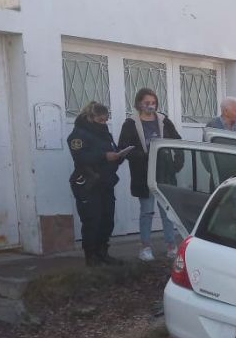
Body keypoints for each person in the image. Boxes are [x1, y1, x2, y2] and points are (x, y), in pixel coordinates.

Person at [118, 87, 182, 261]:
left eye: (153, 103)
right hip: (143, 173)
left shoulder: (163, 120)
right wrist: (142, 156)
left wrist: (178, 162)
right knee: (146, 211)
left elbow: (178, 140)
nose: (151, 106)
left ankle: (171, 246)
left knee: (167, 212)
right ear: (139, 103)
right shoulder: (130, 123)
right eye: (147, 103)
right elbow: (123, 149)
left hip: (165, 173)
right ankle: (145, 247)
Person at [67, 102, 125, 267]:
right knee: (92, 221)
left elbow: (111, 151)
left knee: (107, 220)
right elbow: (80, 157)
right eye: (100, 120)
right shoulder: (77, 135)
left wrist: (119, 156)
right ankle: (91, 258)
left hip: (106, 183)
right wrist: (104, 156)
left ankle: (103, 253)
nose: (104, 123)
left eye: (105, 120)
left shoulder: (105, 133)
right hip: (88, 184)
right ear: (90, 118)